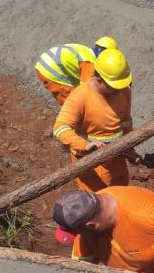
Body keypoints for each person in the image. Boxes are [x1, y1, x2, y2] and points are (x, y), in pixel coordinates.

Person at [52, 48, 139, 191]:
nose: (119, 89)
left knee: (121, 192)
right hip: (91, 160)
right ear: (99, 78)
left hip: (117, 156)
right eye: (114, 86)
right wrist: (85, 145)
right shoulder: (80, 96)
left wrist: (130, 148)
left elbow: (126, 121)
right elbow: (60, 128)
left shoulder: (124, 90)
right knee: (97, 199)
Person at [34, 37, 117, 105]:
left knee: (77, 96)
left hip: (45, 64)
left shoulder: (85, 51)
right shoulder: (90, 63)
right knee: (73, 103)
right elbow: (88, 88)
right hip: (50, 70)